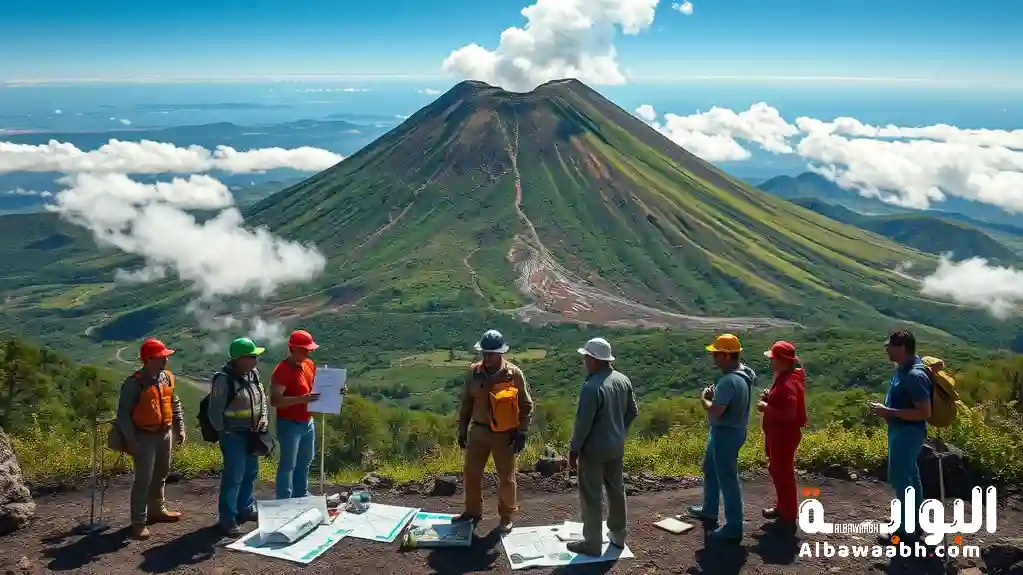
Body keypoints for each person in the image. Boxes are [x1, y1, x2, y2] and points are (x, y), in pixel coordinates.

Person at [452, 329, 534, 533]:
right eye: (484, 353)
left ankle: (506, 517)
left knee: (506, 477)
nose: (487, 357)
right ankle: (472, 512)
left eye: (491, 353)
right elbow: (466, 404)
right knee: (471, 473)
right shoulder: (474, 372)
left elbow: (526, 406)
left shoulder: (513, 374)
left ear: (501, 353)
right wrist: (462, 430)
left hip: (504, 435)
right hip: (478, 431)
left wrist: (522, 432)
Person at [566, 338, 638, 556]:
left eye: (586, 357)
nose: (584, 361)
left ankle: (592, 543)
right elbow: (633, 411)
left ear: (595, 360)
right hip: (616, 446)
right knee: (616, 489)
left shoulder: (592, 387)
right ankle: (617, 535)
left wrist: (574, 451)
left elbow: (583, 424)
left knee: (591, 495)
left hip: (594, 450)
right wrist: (619, 431)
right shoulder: (623, 380)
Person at [687, 333, 757, 542]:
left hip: (726, 433)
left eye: (717, 354)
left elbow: (715, 411)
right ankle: (709, 509)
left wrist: (705, 398)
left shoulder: (728, 381)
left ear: (727, 356)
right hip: (734, 430)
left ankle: (734, 526)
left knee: (728, 479)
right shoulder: (745, 373)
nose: (714, 358)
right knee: (710, 467)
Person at [114, 338, 185, 540]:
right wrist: (132, 440)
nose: (165, 360)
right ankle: (138, 522)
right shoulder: (134, 384)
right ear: (149, 359)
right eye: (162, 357)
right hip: (143, 437)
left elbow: (174, 402)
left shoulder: (166, 378)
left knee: (161, 473)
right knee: (143, 479)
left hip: (164, 433)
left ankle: (157, 510)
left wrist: (180, 427)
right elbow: (124, 415)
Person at [870, 329, 932, 546]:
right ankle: (913, 522)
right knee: (911, 478)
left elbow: (924, 412)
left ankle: (905, 531)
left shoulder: (914, 375)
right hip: (904, 431)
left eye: (890, 345)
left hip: (907, 432)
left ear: (902, 348)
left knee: (901, 479)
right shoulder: (904, 369)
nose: (886, 348)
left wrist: (890, 412)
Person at [209, 337, 269, 536]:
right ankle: (227, 518)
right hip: (233, 435)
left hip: (252, 433)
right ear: (240, 359)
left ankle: (246, 508)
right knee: (234, 475)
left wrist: (264, 419)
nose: (256, 360)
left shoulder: (254, 374)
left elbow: (262, 399)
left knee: (250, 472)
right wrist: (223, 432)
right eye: (252, 357)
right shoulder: (223, 379)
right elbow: (214, 411)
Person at [757, 341, 807, 532]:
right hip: (779, 434)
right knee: (777, 471)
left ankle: (787, 514)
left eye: (773, 359)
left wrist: (766, 407)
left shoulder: (787, 383)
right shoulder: (786, 378)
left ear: (782, 361)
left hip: (784, 436)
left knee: (783, 474)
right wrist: (770, 397)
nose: (770, 361)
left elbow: (789, 414)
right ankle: (783, 507)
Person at [271, 330, 321, 500]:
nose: (309, 352)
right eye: (306, 349)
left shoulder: (309, 365)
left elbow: (316, 388)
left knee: (305, 461)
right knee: (288, 465)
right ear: (294, 349)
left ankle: (301, 494)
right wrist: (302, 399)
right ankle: (284, 500)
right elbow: (275, 400)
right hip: (289, 424)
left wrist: (337, 390)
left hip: (307, 422)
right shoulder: (282, 370)